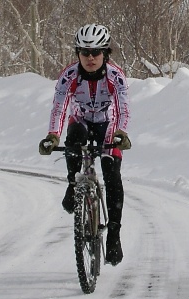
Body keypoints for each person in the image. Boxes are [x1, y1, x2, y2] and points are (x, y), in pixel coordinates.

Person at [39, 24, 131, 266]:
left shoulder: (115, 76)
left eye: (96, 53)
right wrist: (52, 136)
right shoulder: (69, 75)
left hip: (107, 123)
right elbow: (58, 107)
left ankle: (114, 234)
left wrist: (121, 132)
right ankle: (73, 184)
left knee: (112, 173)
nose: (91, 58)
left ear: (105, 54)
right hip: (80, 120)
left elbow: (123, 108)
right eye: (85, 53)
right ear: (78, 54)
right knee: (74, 137)